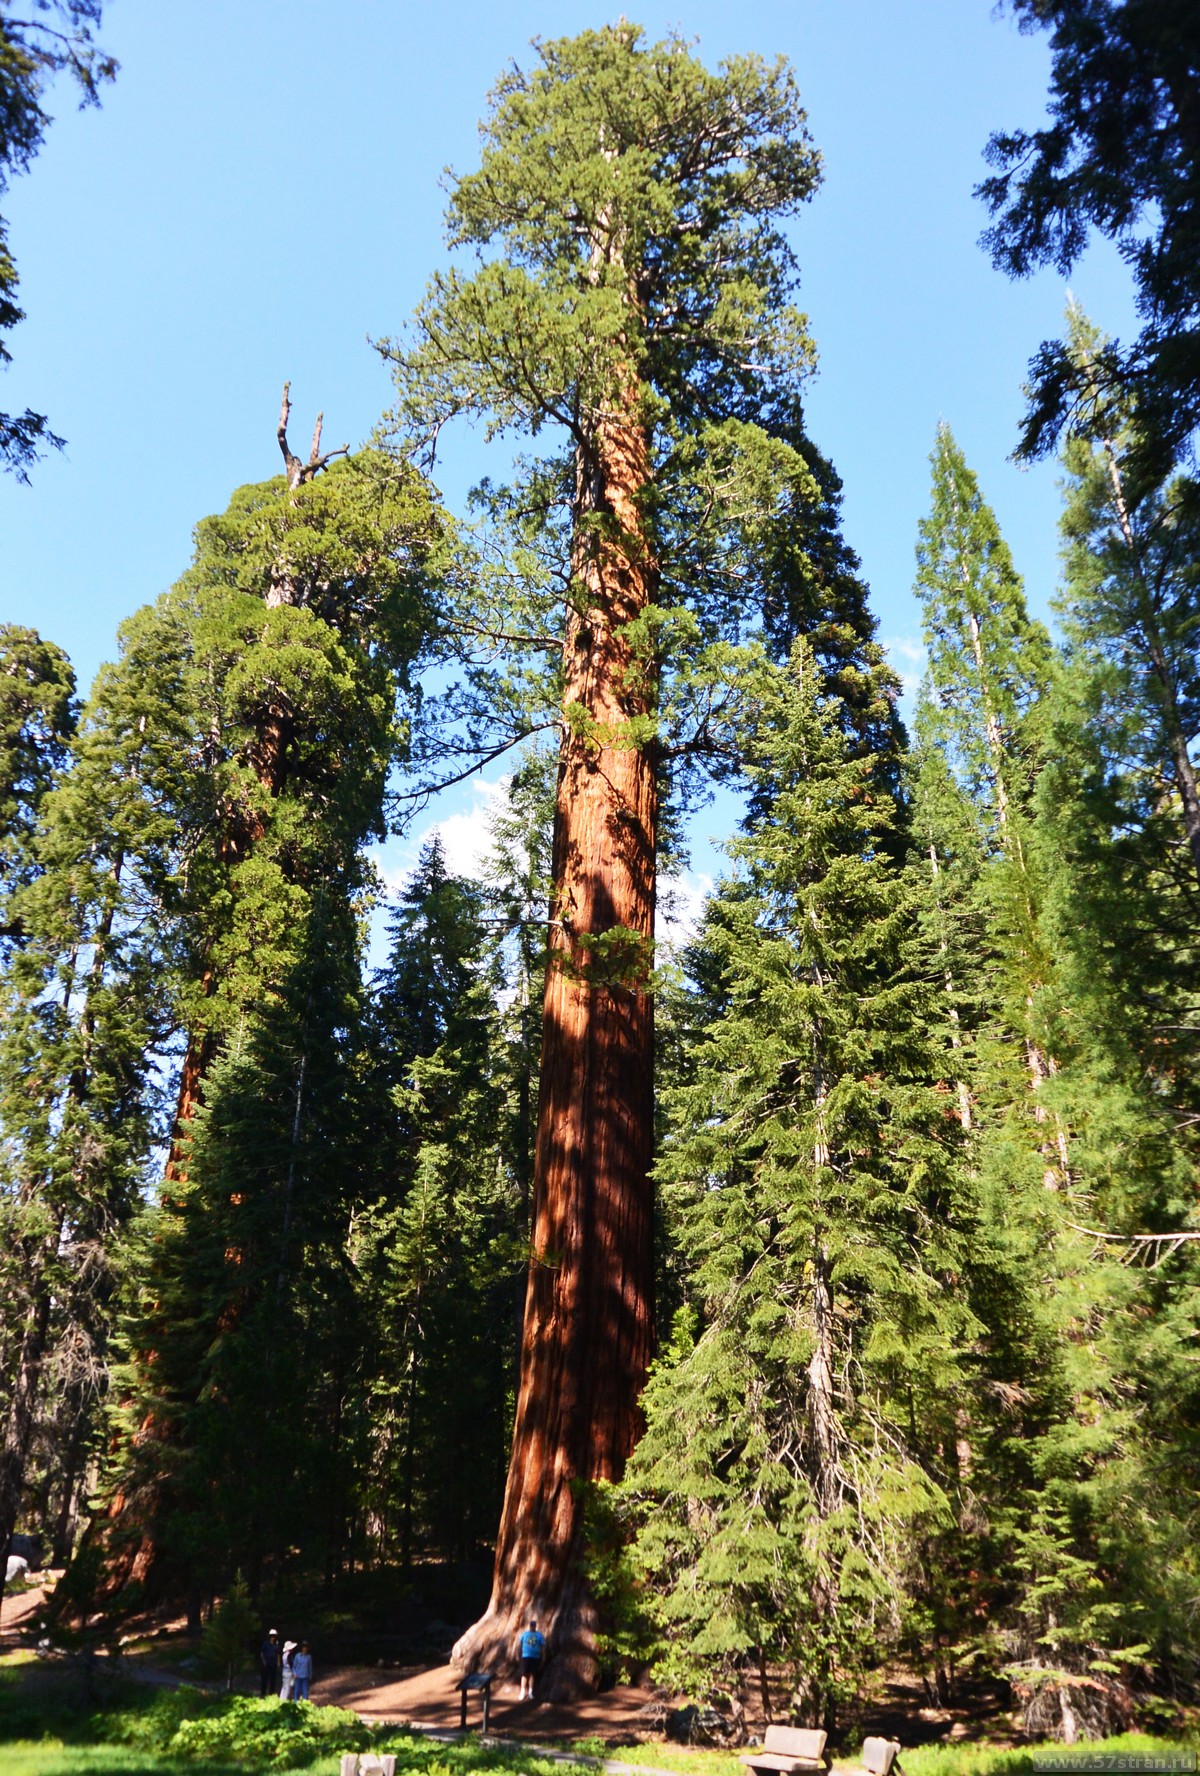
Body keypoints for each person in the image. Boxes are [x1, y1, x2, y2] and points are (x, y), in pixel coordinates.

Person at [517, 1618, 544, 1701]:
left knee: (532, 1674)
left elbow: (542, 1646)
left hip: (535, 1657)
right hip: (526, 1656)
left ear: (535, 1626)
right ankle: (522, 1692)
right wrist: (519, 1654)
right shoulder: (525, 1634)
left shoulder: (539, 1635)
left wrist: (543, 1655)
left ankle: (530, 1692)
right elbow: (520, 1644)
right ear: (530, 1626)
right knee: (524, 1674)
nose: (532, 1627)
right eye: (531, 1625)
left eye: (534, 1625)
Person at [259, 1629, 280, 1698]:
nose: (273, 1638)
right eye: (272, 1636)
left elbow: (278, 1655)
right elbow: (262, 1653)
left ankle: (271, 1694)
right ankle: (263, 1694)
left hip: (273, 1665)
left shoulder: (276, 1645)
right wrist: (264, 1661)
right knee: (264, 1680)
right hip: (266, 1665)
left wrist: (278, 1663)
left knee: (273, 1680)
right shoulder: (265, 1644)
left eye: (274, 1636)